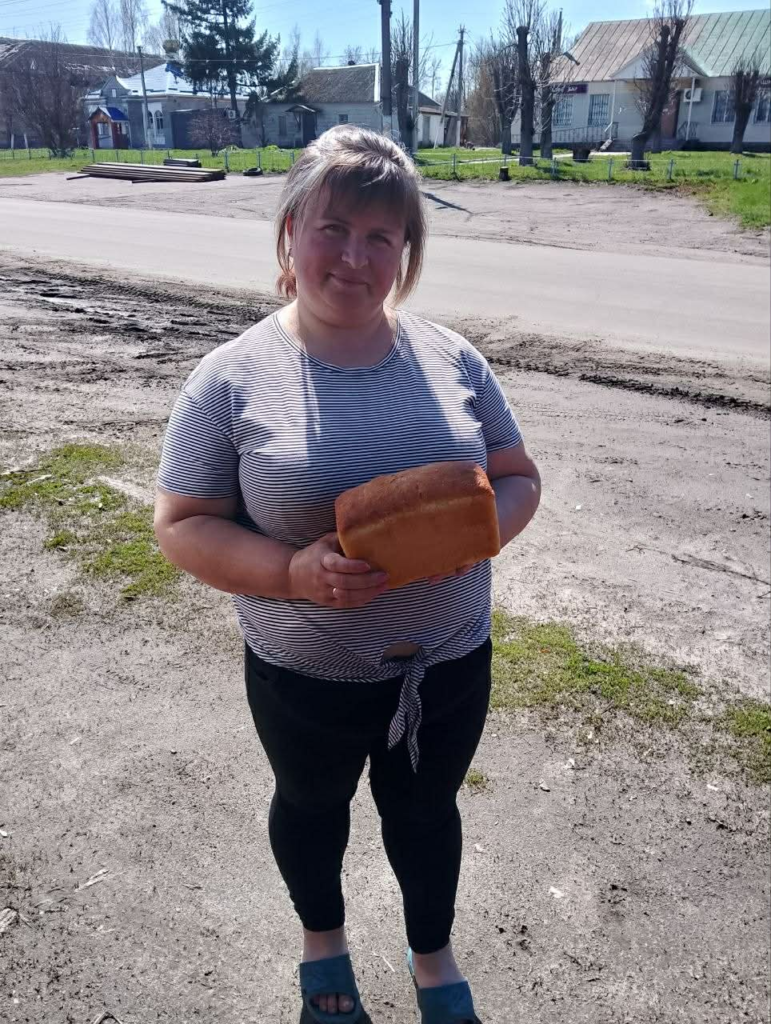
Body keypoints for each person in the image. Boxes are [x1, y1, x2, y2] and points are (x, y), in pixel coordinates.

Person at [154, 124, 541, 1024]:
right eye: (334, 228)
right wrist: (290, 570)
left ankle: (432, 957)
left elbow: (517, 477)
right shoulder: (230, 379)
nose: (355, 257)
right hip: (305, 676)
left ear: (405, 250)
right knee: (312, 803)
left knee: (425, 812)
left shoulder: (452, 358)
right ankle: (322, 947)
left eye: (381, 237)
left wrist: (475, 536)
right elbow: (180, 525)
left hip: (444, 667)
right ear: (290, 230)